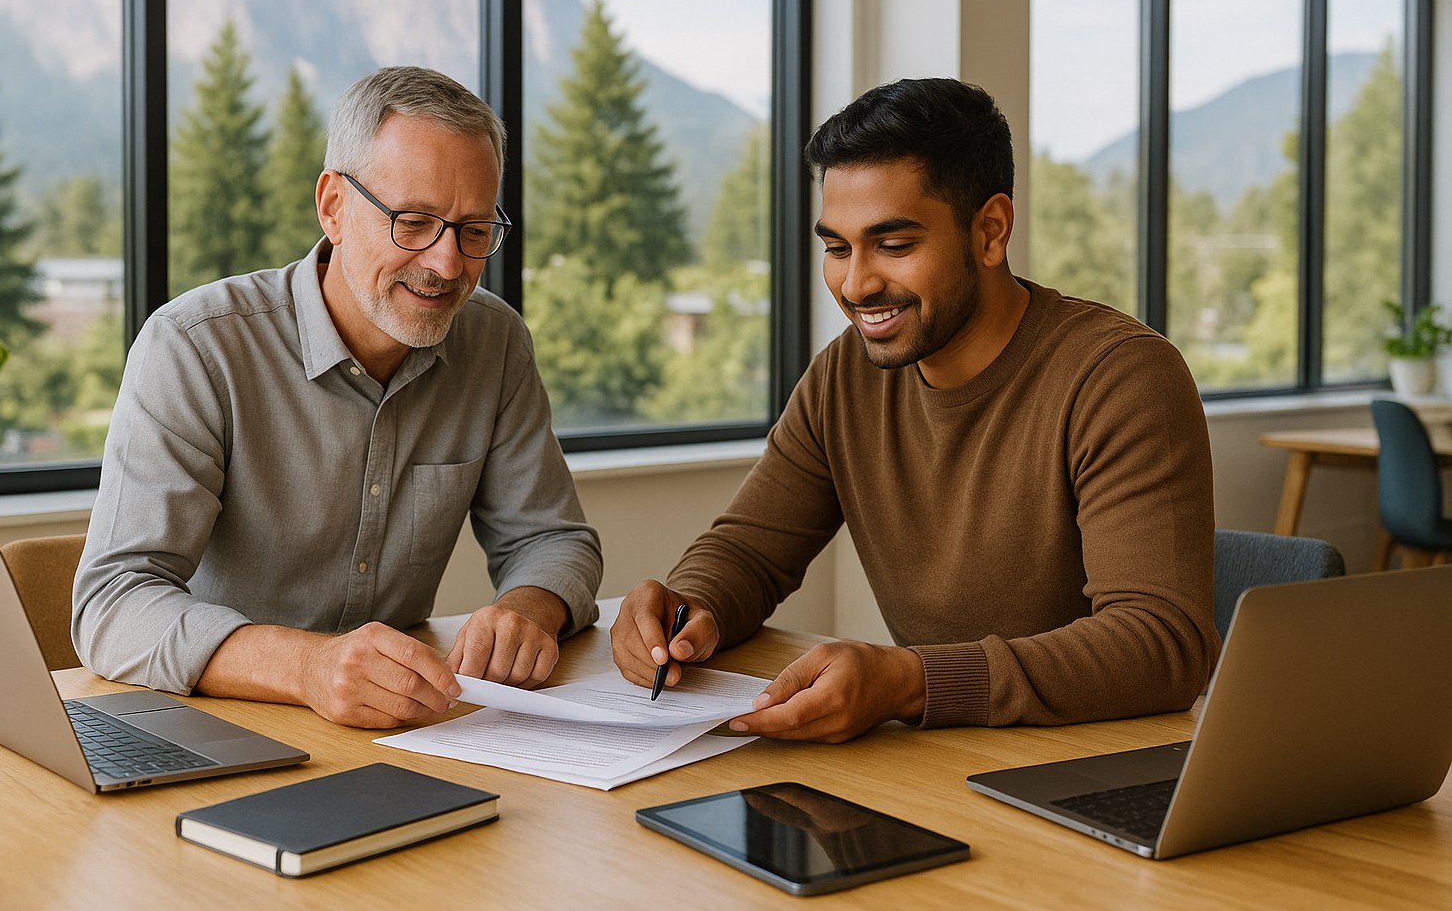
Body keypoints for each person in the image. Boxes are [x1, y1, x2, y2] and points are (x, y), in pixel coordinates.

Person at [612, 77, 1218, 742]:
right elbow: (753, 550)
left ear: (990, 232)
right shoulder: (845, 374)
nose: (857, 283)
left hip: (1089, 766)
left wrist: (910, 681)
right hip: (936, 759)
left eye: (893, 246)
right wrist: (688, 607)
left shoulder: (1120, 377)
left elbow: (1163, 646)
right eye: (837, 248)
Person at [74, 67, 601, 729]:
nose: (446, 264)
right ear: (333, 207)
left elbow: (555, 539)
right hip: (212, 724)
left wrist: (529, 606)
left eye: (473, 231)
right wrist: (307, 668)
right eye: (413, 222)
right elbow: (113, 604)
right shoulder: (194, 347)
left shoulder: (494, 343)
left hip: (392, 735)